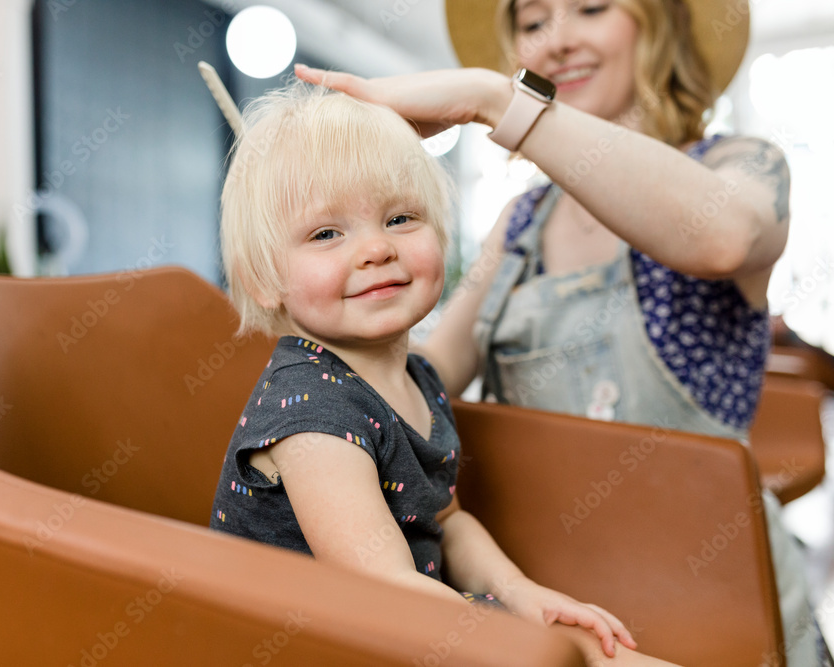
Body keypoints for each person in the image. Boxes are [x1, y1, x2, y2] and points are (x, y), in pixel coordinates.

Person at [295, 0, 831, 665]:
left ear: (656, 24)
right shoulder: (522, 221)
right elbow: (428, 370)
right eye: (533, 21)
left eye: (590, 7)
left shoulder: (743, 164)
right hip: (553, 600)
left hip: (719, 600)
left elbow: (722, 238)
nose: (557, 40)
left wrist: (493, 101)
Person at [208, 81, 678, 664]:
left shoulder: (417, 380)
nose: (376, 248)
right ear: (262, 279)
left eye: (401, 217)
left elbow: (447, 521)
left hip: (413, 624)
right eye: (326, 233)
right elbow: (382, 591)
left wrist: (520, 594)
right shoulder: (313, 419)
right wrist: (527, 641)